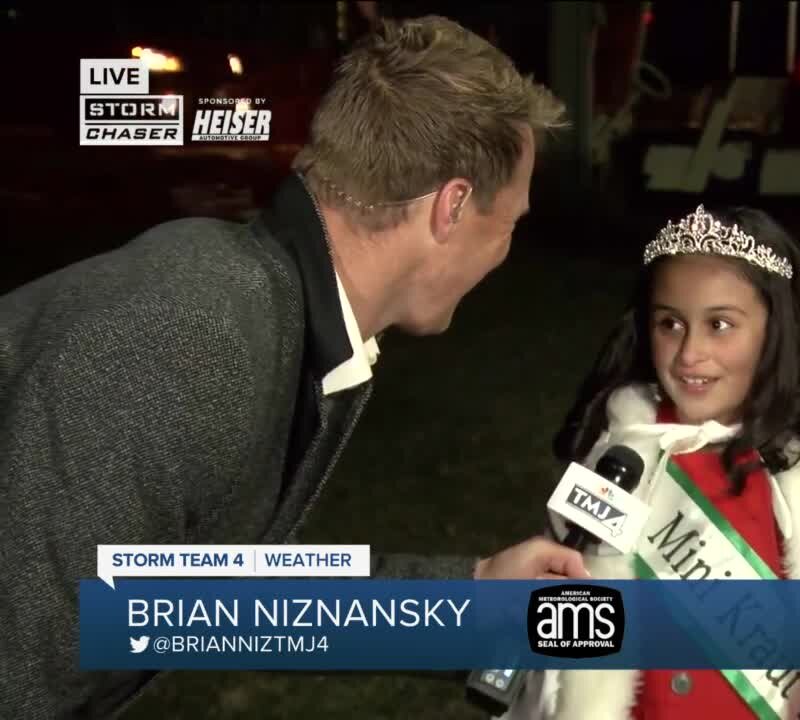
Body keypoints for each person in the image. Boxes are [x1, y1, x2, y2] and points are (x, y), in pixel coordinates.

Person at [0, 15, 591, 719]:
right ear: (453, 205)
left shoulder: (266, 311)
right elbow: (23, 667)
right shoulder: (186, 337)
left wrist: (471, 599)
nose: (506, 251)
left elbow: (185, 600)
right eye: (511, 224)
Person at [500, 205, 800, 719]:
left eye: (720, 325)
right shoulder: (618, 456)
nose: (690, 352)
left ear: (775, 330)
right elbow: (560, 661)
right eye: (670, 323)